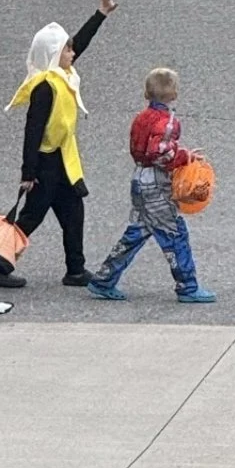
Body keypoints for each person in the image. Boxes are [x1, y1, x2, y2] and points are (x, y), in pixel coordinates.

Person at [0, 0, 118, 290]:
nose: (73, 53)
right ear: (55, 56)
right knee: (31, 216)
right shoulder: (45, 87)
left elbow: (80, 42)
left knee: (73, 212)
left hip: (64, 161)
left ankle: (76, 269)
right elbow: (32, 130)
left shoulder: (62, 75)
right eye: (67, 50)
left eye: (70, 49)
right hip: (45, 163)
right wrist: (28, 172)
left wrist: (101, 14)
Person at [87, 68, 215, 303]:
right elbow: (161, 153)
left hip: (139, 177)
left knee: (137, 231)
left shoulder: (141, 118)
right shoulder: (167, 123)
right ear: (174, 94)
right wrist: (183, 157)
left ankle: (104, 279)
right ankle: (187, 285)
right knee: (175, 233)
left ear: (147, 94)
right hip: (156, 184)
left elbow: (143, 148)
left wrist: (181, 152)